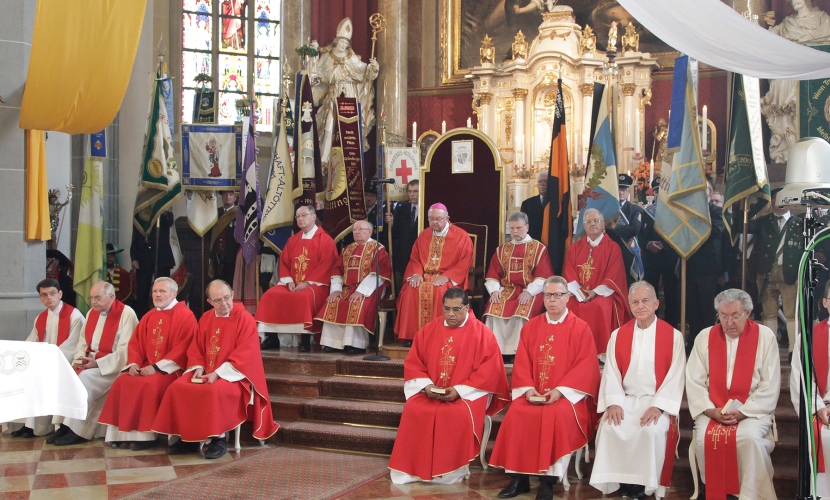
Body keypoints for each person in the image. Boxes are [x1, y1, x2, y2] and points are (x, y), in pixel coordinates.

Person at [489, 276, 601, 500]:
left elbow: (586, 367)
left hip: (567, 398)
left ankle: (547, 482)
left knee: (557, 415)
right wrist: (528, 389)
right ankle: (519, 479)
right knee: (517, 413)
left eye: (558, 295)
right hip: (534, 393)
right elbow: (522, 362)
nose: (552, 300)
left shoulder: (580, 328)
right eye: (548, 295)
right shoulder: (532, 326)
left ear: (567, 298)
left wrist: (560, 392)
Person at [388, 288, 509, 484]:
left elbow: (489, 372)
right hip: (432, 391)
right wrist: (426, 386)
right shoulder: (428, 331)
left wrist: (459, 391)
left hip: (468, 394)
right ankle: (410, 471)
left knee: (455, 414)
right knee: (414, 408)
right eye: (446, 309)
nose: (451, 314)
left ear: (467, 308)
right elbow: (414, 364)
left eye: (456, 309)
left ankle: (449, 472)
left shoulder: (482, 334)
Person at [153, 280, 279, 459]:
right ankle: (188, 438)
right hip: (205, 372)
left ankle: (217, 439)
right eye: (218, 300)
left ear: (233, 295)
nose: (224, 303)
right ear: (210, 302)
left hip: (233, 376)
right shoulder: (206, 318)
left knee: (213, 391)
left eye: (227, 298)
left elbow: (246, 354)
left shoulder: (245, 319)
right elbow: (196, 348)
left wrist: (218, 373)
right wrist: (197, 367)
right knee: (178, 387)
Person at [589, 281, 686, 499]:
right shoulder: (618, 335)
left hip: (655, 401)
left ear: (656, 303)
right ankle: (623, 482)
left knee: (650, 431)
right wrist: (613, 401)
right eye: (635, 302)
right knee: (610, 427)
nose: (640, 306)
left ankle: (643, 486)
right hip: (625, 400)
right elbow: (611, 371)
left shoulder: (673, 336)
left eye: (645, 301)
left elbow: (675, 376)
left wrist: (659, 407)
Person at [686, 289, 780, 500]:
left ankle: (749, 495)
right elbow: (694, 380)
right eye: (723, 315)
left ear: (748, 312)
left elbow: (770, 383)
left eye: (735, 316)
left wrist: (743, 412)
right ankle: (712, 490)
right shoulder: (704, 337)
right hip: (713, 410)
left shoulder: (765, 337)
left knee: (747, 438)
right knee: (705, 438)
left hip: (752, 411)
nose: (729, 322)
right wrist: (711, 410)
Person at [98, 278, 198, 450]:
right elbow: (135, 343)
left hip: (171, 370)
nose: (157, 295)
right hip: (146, 366)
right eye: (155, 291)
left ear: (174, 293)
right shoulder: (149, 315)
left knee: (149, 385)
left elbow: (183, 349)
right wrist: (134, 364)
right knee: (123, 381)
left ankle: (145, 437)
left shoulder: (185, 315)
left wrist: (157, 367)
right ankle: (122, 434)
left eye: (162, 291)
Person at [49, 281, 139, 446]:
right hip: (91, 363)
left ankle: (78, 430)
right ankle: (64, 425)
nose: (93, 302)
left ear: (112, 296)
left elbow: (126, 350)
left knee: (84, 380)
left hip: (111, 368)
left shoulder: (127, 314)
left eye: (98, 298)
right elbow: (82, 343)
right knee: (67, 375)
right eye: (91, 298)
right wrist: (80, 359)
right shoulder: (91, 313)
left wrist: (96, 363)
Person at [6, 278, 85, 438]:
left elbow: (73, 345)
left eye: (52, 293)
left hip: (64, 363)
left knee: (39, 377)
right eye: (44, 295)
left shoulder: (74, 315)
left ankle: (35, 427)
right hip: (44, 361)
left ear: (60, 294)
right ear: (40, 298)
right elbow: (31, 342)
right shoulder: (40, 318)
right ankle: (25, 424)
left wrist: (45, 359)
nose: (49, 298)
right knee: (18, 374)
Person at [255, 205, 339, 351]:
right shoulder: (293, 240)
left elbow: (327, 265)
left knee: (304, 298)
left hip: (316, 285)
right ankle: (272, 337)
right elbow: (284, 262)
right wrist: (289, 281)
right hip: (292, 284)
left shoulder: (325, 240)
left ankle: (305, 339)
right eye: (298, 216)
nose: (300, 219)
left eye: (304, 215)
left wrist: (307, 283)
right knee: (270, 295)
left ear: (314, 217)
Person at [394, 203, 473, 346]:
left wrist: (448, 276)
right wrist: (416, 274)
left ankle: (439, 335)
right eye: (431, 219)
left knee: (441, 291)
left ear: (447, 218)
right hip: (424, 276)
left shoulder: (461, 236)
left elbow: (465, 260)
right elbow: (415, 258)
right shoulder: (424, 235)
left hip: (446, 278)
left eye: (438, 219)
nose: (434, 222)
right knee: (410, 289)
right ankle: (412, 336)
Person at [762, 0, 830, 163]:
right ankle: (788, 150)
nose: (794, 1)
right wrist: (757, 21)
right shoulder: (786, 25)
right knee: (789, 111)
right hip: (791, 82)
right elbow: (765, 42)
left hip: (819, 84)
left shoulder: (825, 22)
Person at [483, 211, 553, 363]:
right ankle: (496, 350)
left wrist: (530, 292)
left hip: (531, 290)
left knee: (523, 309)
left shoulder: (539, 249)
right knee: (493, 307)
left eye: (518, 228)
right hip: (507, 290)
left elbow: (543, 276)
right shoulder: (502, 250)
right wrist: (494, 290)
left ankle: (519, 351)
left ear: (527, 227)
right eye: (511, 228)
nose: (514, 232)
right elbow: (493, 274)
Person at [309, 17, 379, 164]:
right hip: (334, 94)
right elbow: (317, 72)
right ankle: (325, 161)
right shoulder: (327, 55)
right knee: (329, 125)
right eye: (341, 41)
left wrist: (373, 67)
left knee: (349, 128)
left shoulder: (351, 57)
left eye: (346, 43)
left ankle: (350, 161)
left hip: (349, 94)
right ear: (336, 41)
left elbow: (364, 71)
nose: (343, 45)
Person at [316, 220, 392, 354]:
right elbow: (337, 269)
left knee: (355, 303)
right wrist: (336, 289)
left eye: (361, 230)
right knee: (334, 302)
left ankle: (355, 344)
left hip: (370, 289)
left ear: (369, 231)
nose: (357, 232)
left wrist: (362, 291)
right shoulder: (347, 249)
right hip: (347, 287)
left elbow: (379, 273)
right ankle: (333, 343)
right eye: (355, 230)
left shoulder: (378, 248)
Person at [563, 208, 629, 357]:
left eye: (596, 221)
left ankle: (600, 352)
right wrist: (579, 292)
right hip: (578, 293)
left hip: (603, 294)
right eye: (588, 222)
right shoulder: (575, 248)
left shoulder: (613, 248)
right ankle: (572, 351)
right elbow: (569, 272)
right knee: (569, 304)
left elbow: (614, 275)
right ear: (584, 226)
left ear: (603, 225)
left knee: (599, 306)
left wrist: (595, 292)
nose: (592, 224)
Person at [749, 189, 803, 356]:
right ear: (770, 202)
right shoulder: (763, 221)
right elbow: (740, 227)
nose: (779, 203)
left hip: (789, 272)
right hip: (766, 272)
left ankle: (794, 348)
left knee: (791, 312)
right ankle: (770, 349)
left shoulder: (799, 222)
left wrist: (800, 274)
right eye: (776, 200)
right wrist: (755, 205)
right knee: (768, 311)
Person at [790, 280, 830, 497]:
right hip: (823, 407)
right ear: (825, 303)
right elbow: (802, 377)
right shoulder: (809, 337)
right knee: (820, 436)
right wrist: (817, 406)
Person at [686, 196, 726, 351]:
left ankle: (709, 338)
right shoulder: (687, 211)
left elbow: (716, 230)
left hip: (708, 267)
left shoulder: (715, 211)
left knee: (706, 305)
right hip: (689, 264)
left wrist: (693, 227)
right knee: (691, 306)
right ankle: (693, 339)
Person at [642, 178, 680, 329]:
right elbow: (642, 234)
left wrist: (665, 245)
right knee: (651, 293)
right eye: (657, 191)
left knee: (672, 294)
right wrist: (648, 244)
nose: (659, 194)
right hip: (651, 259)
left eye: (662, 191)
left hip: (670, 257)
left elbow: (678, 234)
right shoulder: (648, 211)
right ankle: (652, 324)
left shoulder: (675, 212)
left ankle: (671, 326)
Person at [130, 210, 175, 318]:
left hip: (162, 258)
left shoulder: (164, 213)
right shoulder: (140, 214)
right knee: (142, 293)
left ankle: (164, 317)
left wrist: (163, 210)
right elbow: (135, 236)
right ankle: (143, 319)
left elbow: (169, 222)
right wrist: (134, 257)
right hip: (143, 258)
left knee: (164, 290)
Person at [387, 179, 420, 294]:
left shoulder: (427, 210)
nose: (412, 194)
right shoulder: (401, 209)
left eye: (415, 191)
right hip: (402, 258)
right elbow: (395, 234)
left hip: (419, 259)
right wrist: (391, 223)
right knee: (400, 291)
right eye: (410, 191)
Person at [209, 190, 239, 285]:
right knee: (217, 281)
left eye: (231, 194)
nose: (228, 196)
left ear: (235, 198)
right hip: (217, 255)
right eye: (225, 194)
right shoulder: (215, 213)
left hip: (232, 255)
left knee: (230, 282)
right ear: (222, 197)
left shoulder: (239, 214)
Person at [520, 172, 548, 241]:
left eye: (546, 181)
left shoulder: (558, 203)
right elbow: (523, 226)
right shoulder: (526, 204)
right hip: (533, 244)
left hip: (552, 245)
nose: (542, 184)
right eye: (540, 181)